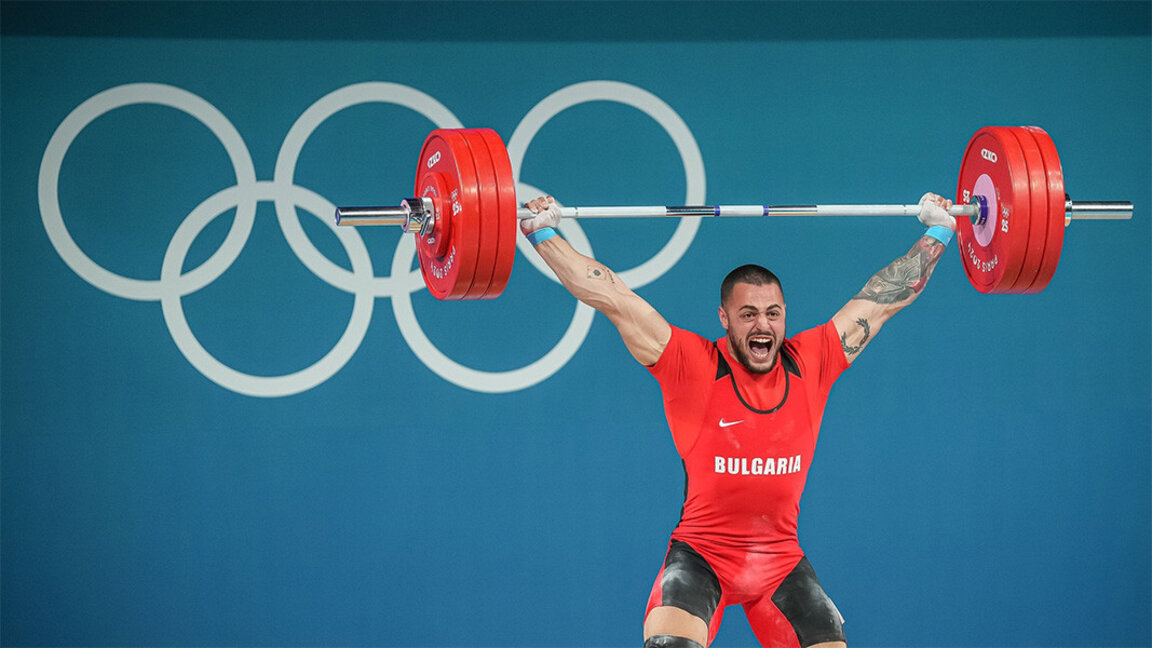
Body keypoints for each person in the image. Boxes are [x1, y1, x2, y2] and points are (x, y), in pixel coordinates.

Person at [520, 192, 957, 648]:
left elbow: (881, 300)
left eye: (772, 314)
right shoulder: (690, 364)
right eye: (748, 315)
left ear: (785, 316)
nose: (762, 326)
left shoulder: (814, 360)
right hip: (700, 558)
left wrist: (939, 231)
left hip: (780, 564)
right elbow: (613, 297)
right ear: (724, 318)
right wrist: (542, 232)